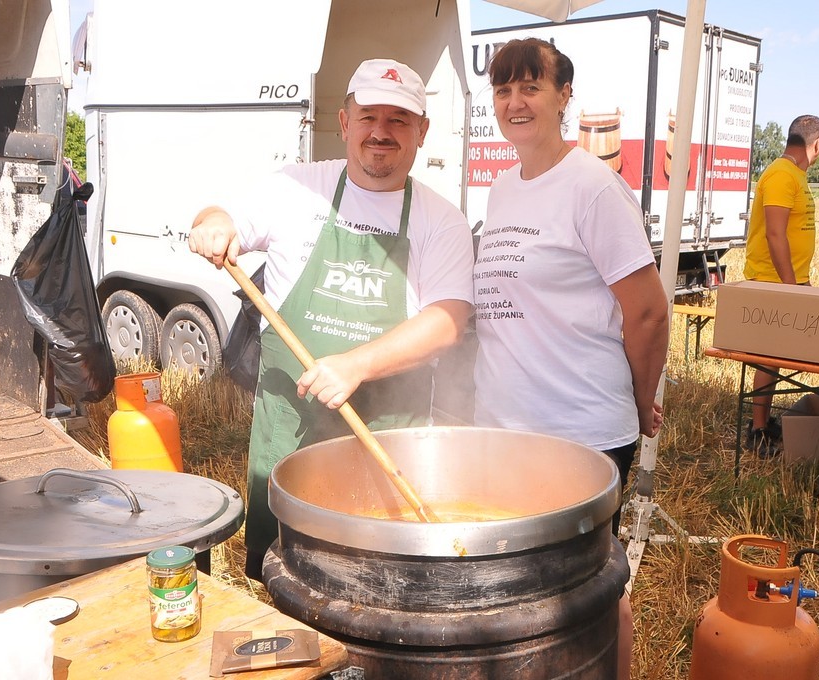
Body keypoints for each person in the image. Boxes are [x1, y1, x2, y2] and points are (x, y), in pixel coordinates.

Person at [188, 58, 475, 580]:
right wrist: (212, 223)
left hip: (386, 446)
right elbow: (219, 217)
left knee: (376, 586)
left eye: (398, 120)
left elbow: (448, 320)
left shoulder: (441, 220)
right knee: (284, 588)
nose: (380, 133)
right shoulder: (296, 188)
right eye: (368, 117)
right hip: (290, 438)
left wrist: (356, 365)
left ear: (422, 131)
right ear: (344, 123)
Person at [471, 38, 670, 680]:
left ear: (563, 96)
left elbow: (646, 311)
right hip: (504, 429)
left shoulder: (592, 187)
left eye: (530, 87)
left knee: (590, 592)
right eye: (503, 90)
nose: (515, 102)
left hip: (580, 431)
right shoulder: (502, 187)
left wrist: (641, 401)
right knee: (520, 591)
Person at [743, 114, 819, 457]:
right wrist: (791, 288)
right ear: (817, 144)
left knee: (773, 359)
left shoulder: (794, 174)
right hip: (772, 283)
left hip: (786, 281)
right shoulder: (780, 174)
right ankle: (757, 431)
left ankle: (763, 421)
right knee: (766, 358)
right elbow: (775, 234)